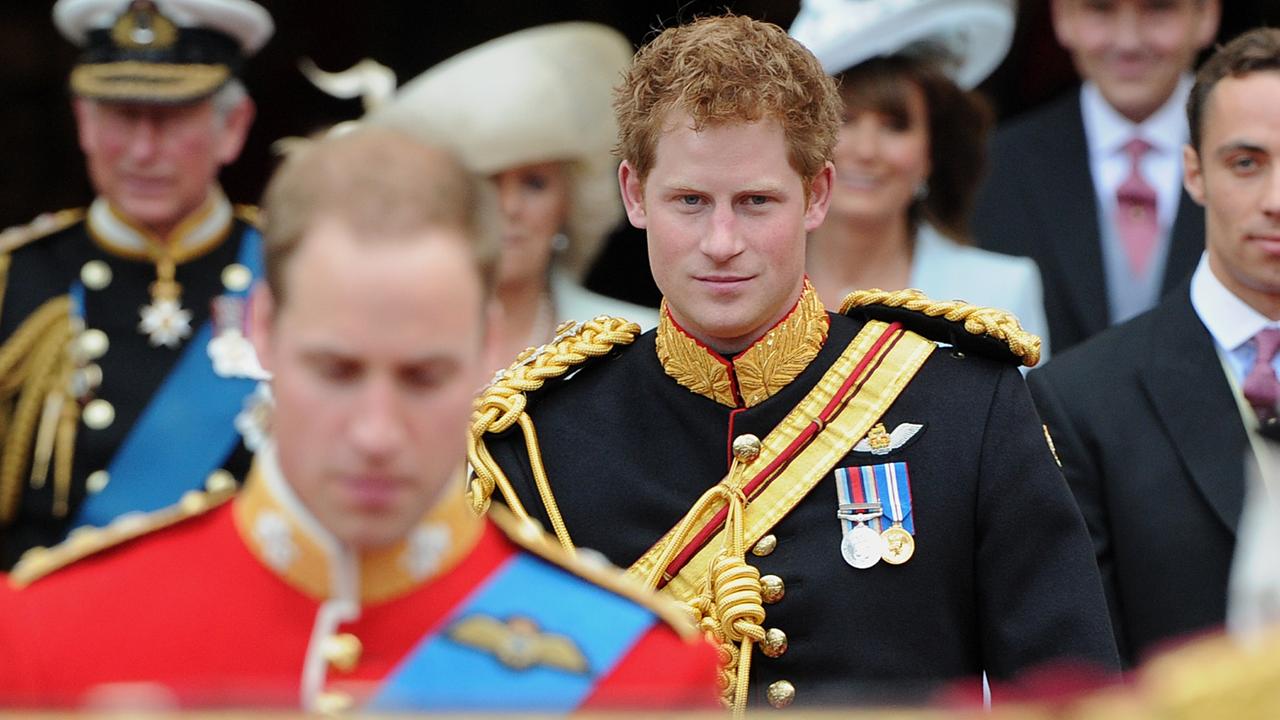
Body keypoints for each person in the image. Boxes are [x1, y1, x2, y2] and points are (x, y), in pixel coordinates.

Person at [469, 13, 1119, 712]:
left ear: (817, 195)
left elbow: (1072, 696)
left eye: (756, 202)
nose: (721, 242)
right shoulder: (536, 441)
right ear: (634, 194)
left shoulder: (965, 406)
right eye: (689, 201)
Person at [0, 127, 719, 712]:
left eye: (423, 377)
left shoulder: (641, 676)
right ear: (261, 330)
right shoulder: (45, 641)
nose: (377, 432)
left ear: (484, 347)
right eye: (337, 372)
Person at [1027, 26, 1280, 667]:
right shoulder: (1079, 400)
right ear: (1192, 172)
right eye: (1245, 162)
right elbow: (1085, 666)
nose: (1276, 201)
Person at [0, 0, 274, 569]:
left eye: (172, 119)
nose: (144, 151)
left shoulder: (296, 275)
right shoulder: (14, 282)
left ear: (234, 127)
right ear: (84, 124)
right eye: (123, 116)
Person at [359, 23, 656, 366]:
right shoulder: (371, 341)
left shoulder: (634, 344)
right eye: (487, 182)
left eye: (534, 183)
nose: (509, 207)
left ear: (568, 202)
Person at [791, 0, 1050, 357]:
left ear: (931, 152)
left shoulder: (1001, 292)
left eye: (895, 126)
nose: (866, 150)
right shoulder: (746, 279)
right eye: (844, 120)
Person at [973, 0, 1221, 354]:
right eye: (1100, 10)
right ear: (1061, 17)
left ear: (1206, 15)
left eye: (1159, 9)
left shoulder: (1261, 154)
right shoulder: (995, 168)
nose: (1128, 42)